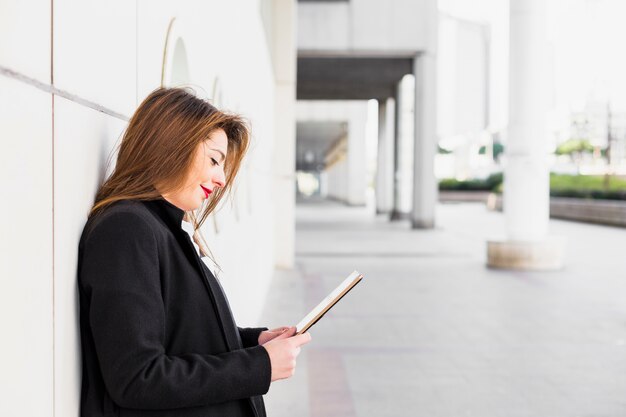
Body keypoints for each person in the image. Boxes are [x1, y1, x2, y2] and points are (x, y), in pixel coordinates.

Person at [77, 87, 312, 417]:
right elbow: (137, 378)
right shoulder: (127, 231)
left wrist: (253, 343)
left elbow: (178, 335)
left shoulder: (160, 227)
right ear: (171, 143)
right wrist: (258, 367)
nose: (219, 179)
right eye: (214, 160)